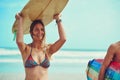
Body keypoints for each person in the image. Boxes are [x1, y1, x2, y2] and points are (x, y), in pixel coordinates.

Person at [15, 13, 66, 80]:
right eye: (36, 29)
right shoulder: (26, 49)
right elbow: (19, 41)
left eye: (42, 29)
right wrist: (20, 20)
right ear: (31, 32)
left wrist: (58, 20)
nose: (40, 32)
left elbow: (63, 39)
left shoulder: (48, 50)